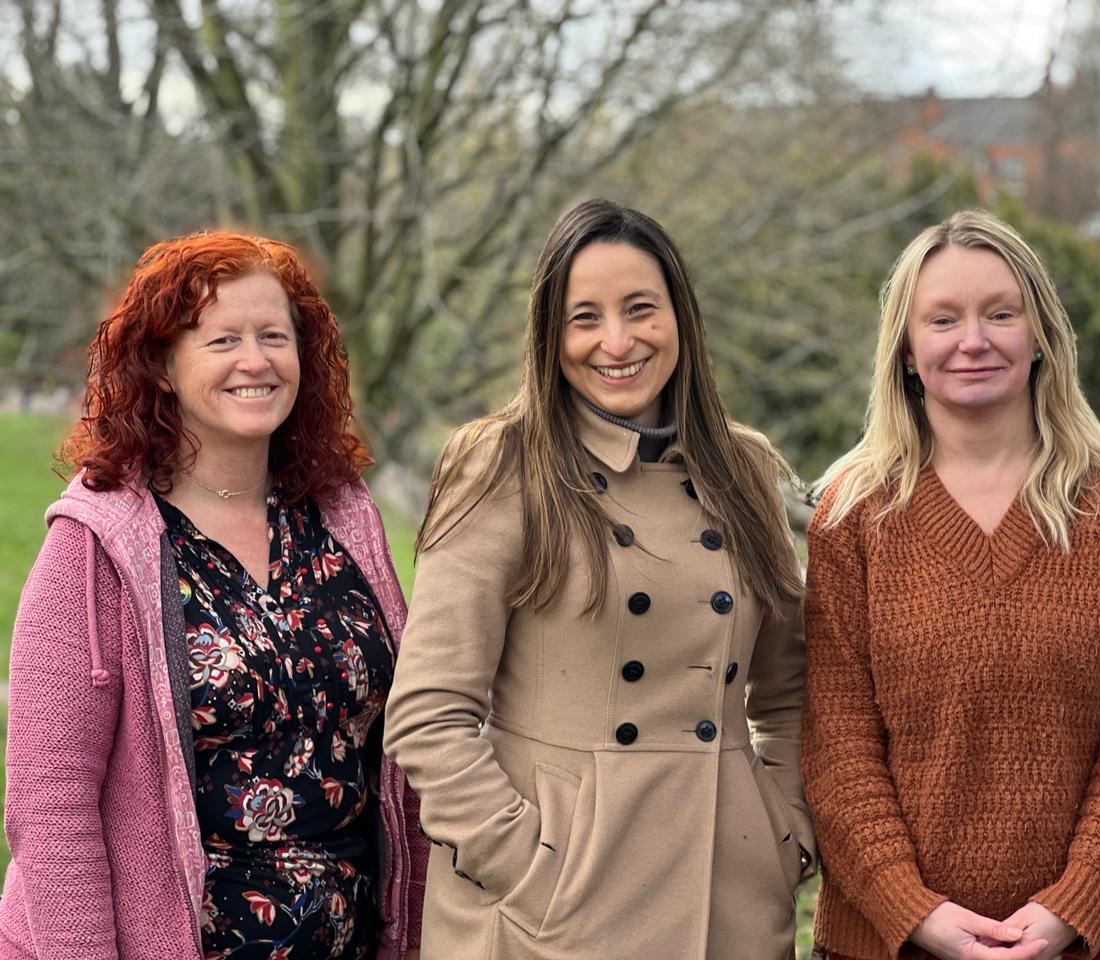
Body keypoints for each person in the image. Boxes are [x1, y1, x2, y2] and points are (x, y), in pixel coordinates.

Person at [383, 198, 817, 959]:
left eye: (640, 310)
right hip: (550, 919)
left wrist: (781, 835)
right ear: (551, 337)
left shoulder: (743, 469)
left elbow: (790, 697)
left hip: (728, 903)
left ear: (679, 316)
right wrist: (529, 866)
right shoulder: (503, 463)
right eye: (585, 318)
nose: (616, 342)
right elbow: (429, 713)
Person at [0, 232, 428, 960]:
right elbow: (50, 807)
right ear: (162, 366)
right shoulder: (96, 545)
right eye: (222, 339)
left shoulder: (343, 519)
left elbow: (404, 753)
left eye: (273, 336)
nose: (255, 360)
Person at [802, 209, 1100, 960]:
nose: (973, 339)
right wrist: (913, 910)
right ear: (906, 350)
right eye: (943, 318)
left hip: (1082, 941)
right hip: (889, 939)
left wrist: (1077, 903)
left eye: (1000, 313)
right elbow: (836, 741)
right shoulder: (853, 512)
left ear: (1038, 335)